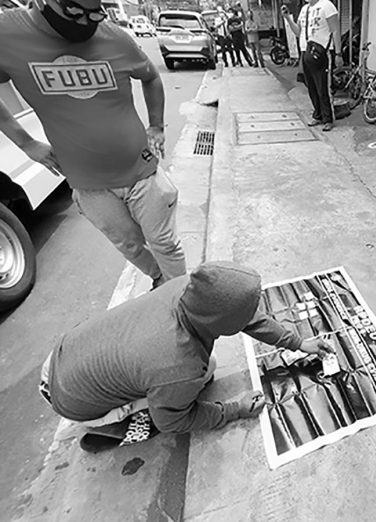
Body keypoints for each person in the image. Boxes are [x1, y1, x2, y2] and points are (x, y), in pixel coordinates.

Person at [39, 261, 335, 452]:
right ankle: (111, 429)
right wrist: (233, 409)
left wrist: (298, 343)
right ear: (223, 322)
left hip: (61, 356)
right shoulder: (180, 364)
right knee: (181, 399)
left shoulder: (189, 287)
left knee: (204, 373)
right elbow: (172, 422)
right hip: (72, 402)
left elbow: (244, 317)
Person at [0, 0, 186, 289]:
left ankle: (180, 296)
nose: (86, 23)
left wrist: (157, 126)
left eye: (95, 14)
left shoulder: (115, 38)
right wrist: (25, 144)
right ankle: (159, 279)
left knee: (164, 242)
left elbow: (150, 77)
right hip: (90, 186)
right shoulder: (8, 34)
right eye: (75, 13)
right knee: (129, 245)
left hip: (142, 172)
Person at [282, 0, 343, 132]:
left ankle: (328, 118)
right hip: (306, 52)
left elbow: (336, 30)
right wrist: (287, 18)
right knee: (311, 86)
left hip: (321, 53)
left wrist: (338, 53)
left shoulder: (327, 5)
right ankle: (318, 115)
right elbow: (298, 32)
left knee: (323, 87)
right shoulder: (304, 9)